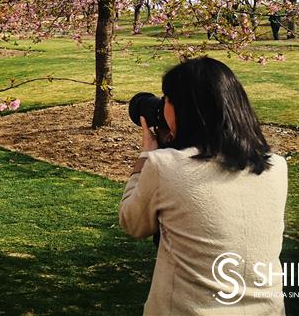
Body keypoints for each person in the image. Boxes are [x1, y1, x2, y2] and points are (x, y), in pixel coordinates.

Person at [119, 57, 287, 316]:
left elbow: (133, 222)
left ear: (184, 109)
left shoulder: (164, 166)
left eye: (168, 100)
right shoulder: (276, 166)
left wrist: (145, 156)